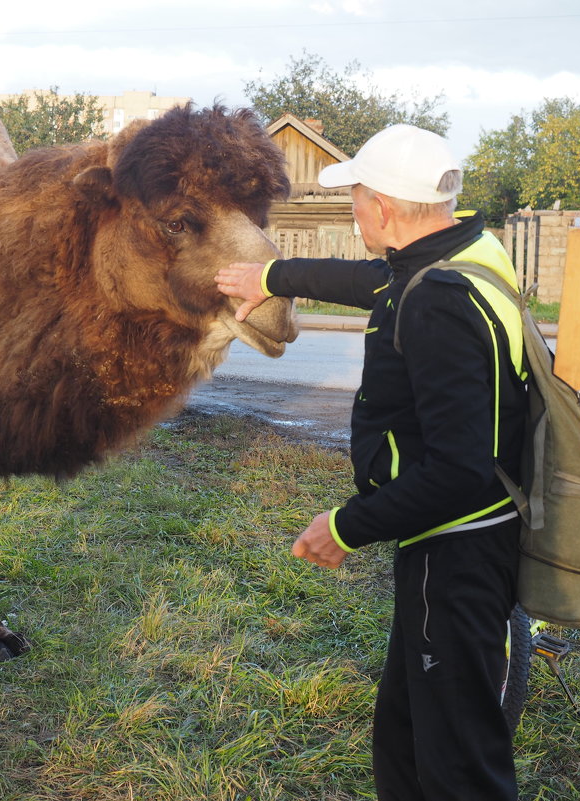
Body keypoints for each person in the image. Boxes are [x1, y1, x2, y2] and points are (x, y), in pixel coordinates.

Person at [216, 124, 527, 801]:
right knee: (407, 736)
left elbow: (458, 468)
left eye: (355, 195)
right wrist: (273, 275)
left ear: (382, 207)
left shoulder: (437, 305)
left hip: (455, 556)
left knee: (456, 765)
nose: (353, 208)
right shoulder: (469, 254)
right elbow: (377, 281)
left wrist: (347, 524)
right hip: (467, 544)